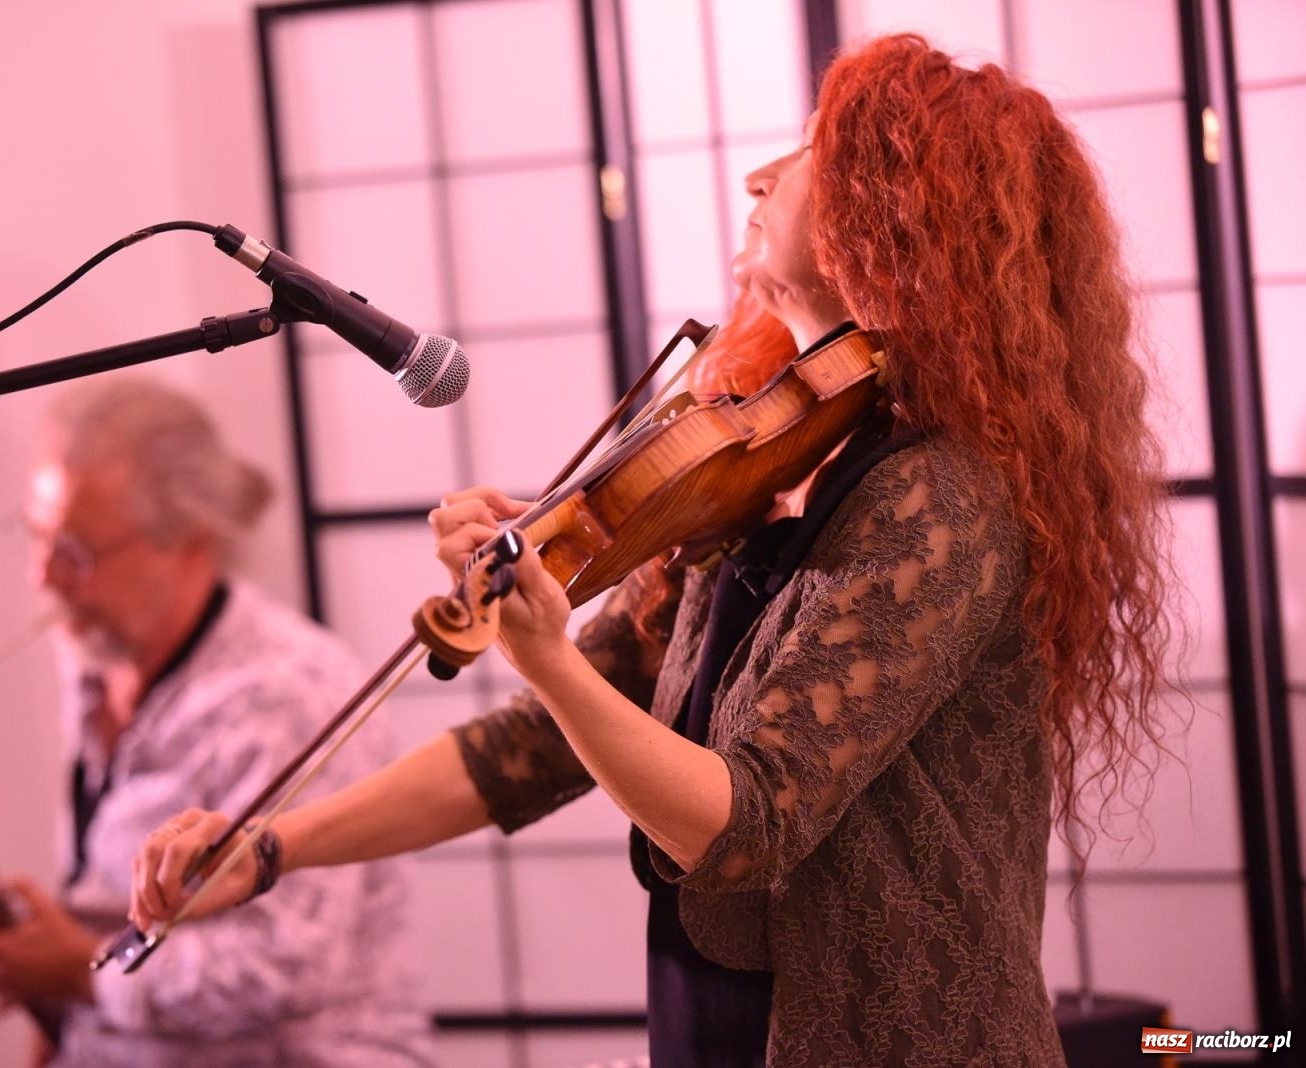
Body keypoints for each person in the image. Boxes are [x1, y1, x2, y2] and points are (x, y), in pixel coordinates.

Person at [129, 34, 1176, 1067]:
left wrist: (538, 645)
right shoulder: (758, 471)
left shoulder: (939, 499)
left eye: (812, 150)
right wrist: (270, 846)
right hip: (717, 1025)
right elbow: (535, 750)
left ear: (901, 215)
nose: (762, 175)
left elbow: (748, 823)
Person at [0, 375, 433, 1067]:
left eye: (75, 553)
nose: (43, 577)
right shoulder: (101, 652)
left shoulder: (286, 691)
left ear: (190, 541)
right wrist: (36, 964)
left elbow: (281, 967)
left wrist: (78, 970)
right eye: (37, 537)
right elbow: (108, 905)